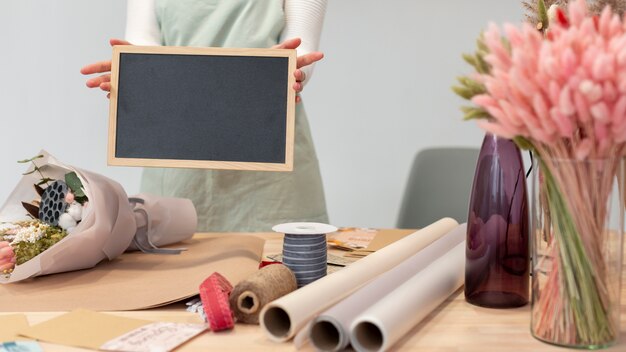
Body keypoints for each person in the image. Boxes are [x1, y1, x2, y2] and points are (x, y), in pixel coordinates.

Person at [81, 0, 329, 232]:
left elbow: (300, 49)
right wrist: (134, 72)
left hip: (270, 164)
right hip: (178, 163)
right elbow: (143, 42)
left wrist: (287, 70)